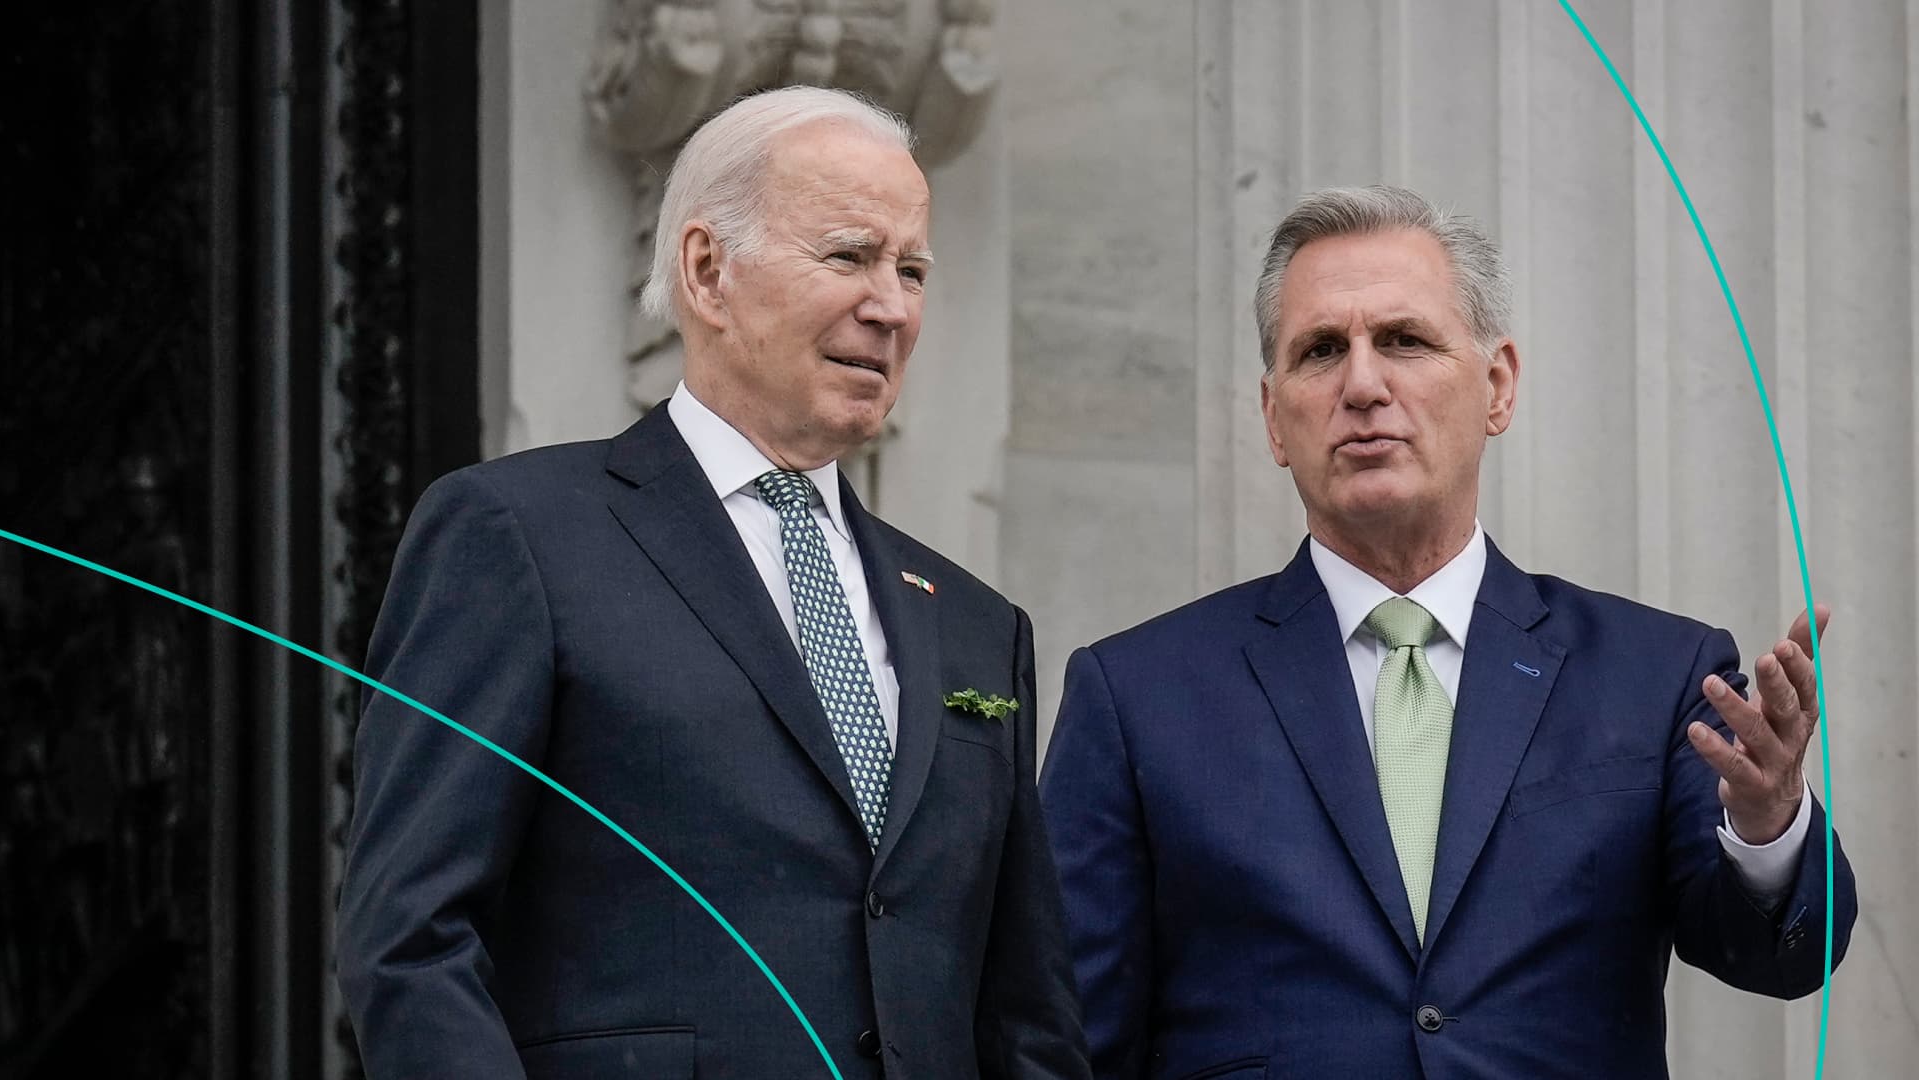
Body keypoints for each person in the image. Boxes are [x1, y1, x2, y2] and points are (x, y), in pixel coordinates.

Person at [337, 86, 1089, 1080]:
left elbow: (1024, 1015)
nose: (894, 306)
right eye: (849, 256)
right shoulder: (517, 535)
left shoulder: (978, 630)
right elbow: (410, 942)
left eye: (912, 269)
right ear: (708, 271)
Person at [1039, 185, 1856, 1079]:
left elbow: (1780, 960)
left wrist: (1769, 823)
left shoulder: (1660, 676)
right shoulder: (1137, 696)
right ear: (1275, 419)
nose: (1361, 384)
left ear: (1497, 385)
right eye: (1320, 351)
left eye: (1404, 341)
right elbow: (1072, 1039)